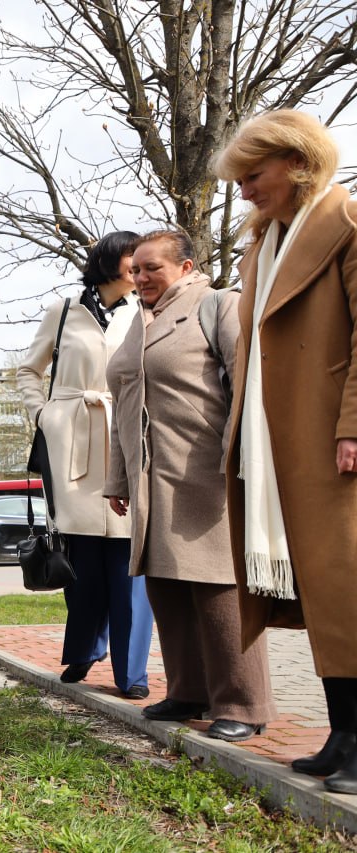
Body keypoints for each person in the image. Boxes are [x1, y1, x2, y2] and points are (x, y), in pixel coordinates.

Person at [213, 110, 357, 792]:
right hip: (279, 442)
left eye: (253, 174)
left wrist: (353, 425)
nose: (244, 191)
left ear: (298, 161)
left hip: (330, 438)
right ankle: (344, 733)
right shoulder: (264, 245)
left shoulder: (346, 223)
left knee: (347, 588)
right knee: (323, 594)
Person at [104, 230, 276, 741]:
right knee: (167, 585)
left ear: (185, 267)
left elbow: (248, 385)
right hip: (151, 479)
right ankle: (189, 690)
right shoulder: (140, 320)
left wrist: (240, 460)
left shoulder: (217, 305)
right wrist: (118, 476)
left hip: (207, 473)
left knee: (218, 589)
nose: (140, 278)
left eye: (151, 268)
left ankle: (244, 703)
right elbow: (124, 406)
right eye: (135, 270)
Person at [16, 231, 153, 699]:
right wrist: (44, 414)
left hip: (126, 437)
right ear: (111, 260)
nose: (142, 268)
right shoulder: (63, 311)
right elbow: (28, 370)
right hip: (71, 441)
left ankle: (131, 673)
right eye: (134, 258)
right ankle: (83, 650)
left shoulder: (146, 310)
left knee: (129, 562)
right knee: (82, 561)